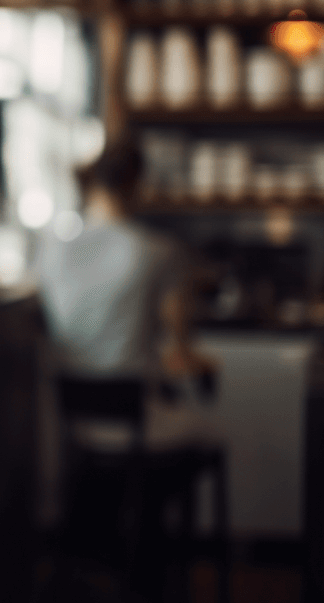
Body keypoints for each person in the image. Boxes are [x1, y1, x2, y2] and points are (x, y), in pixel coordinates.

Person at [37, 142, 219, 449]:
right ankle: (154, 498)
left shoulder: (52, 248)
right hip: (136, 422)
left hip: (71, 423)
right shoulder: (158, 251)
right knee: (212, 430)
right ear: (136, 185)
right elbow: (180, 349)